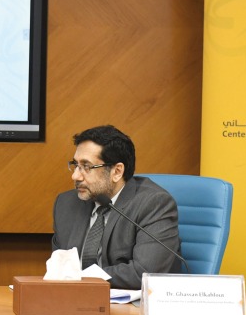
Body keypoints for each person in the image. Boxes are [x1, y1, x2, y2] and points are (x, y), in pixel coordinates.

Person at [51, 124, 180, 289]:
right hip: (74, 302)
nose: (75, 176)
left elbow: (145, 272)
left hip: (132, 307)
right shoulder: (66, 203)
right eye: (75, 165)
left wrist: (83, 277)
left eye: (87, 167)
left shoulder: (153, 203)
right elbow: (60, 267)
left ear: (117, 171)